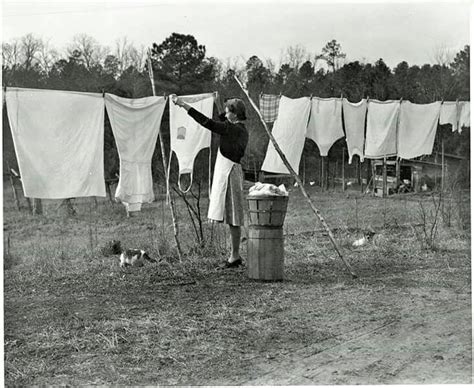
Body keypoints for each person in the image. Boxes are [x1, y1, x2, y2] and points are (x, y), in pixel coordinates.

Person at [171, 94, 249, 267]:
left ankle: (235, 256)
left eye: (228, 112)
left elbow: (207, 122)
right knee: (231, 217)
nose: (225, 114)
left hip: (230, 173)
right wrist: (218, 102)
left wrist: (184, 105)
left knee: (234, 217)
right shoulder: (239, 128)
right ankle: (234, 255)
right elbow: (222, 118)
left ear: (235, 115)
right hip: (230, 172)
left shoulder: (233, 129)